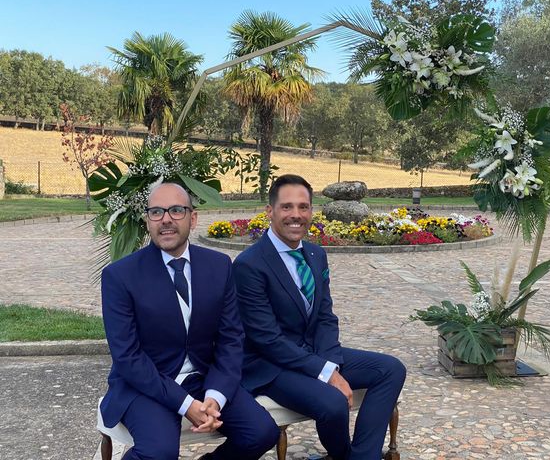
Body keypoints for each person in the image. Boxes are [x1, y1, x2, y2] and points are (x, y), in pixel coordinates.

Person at [232, 174, 406, 460]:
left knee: (391, 369)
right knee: (333, 403)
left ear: (312, 211)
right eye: (287, 207)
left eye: (304, 207)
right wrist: (326, 373)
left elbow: (324, 315)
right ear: (270, 211)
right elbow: (267, 339)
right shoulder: (249, 265)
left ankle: (362, 456)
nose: (296, 215)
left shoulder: (315, 254)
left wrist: (330, 364)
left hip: (312, 352)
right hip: (270, 366)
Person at [100, 183, 279, 460]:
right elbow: (128, 357)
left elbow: (231, 338)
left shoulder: (219, 266)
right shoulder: (120, 276)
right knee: (159, 452)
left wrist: (215, 397)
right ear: (148, 220)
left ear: (192, 218)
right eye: (157, 212)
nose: (166, 219)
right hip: (147, 384)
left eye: (176, 210)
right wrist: (186, 405)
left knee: (262, 432)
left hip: (204, 377)